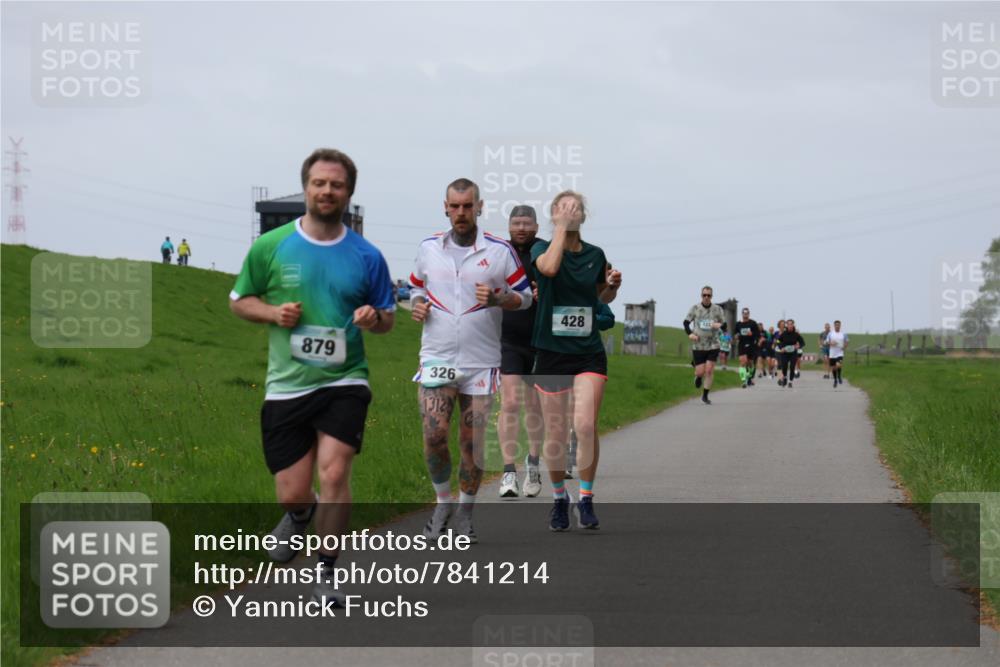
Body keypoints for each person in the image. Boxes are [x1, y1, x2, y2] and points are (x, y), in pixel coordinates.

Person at [229, 148, 395, 610]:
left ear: (349, 193)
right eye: (320, 183)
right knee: (293, 490)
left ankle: (326, 572)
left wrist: (372, 317)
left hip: (346, 379)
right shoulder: (271, 245)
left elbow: (387, 319)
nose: (327, 191)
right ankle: (300, 515)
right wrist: (272, 312)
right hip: (287, 384)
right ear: (306, 187)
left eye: (336, 185)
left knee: (336, 471)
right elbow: (240, 300)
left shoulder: (366, 255)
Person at [409, 178, 533, 540]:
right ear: (445, 207)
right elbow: (417, 286)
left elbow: (525, 297)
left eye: (468, 206)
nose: (461, 213)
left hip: (481, 360)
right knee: (434, 434)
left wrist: (499, 299)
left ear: (480, 207)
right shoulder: (429, 248)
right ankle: (442, 501)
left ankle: (465, 513)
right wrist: (418, 305)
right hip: (437, 355)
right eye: (455, 206)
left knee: (470, 443)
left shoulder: (499, 251)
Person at [532, 191, 621, 531]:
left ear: (584, 217)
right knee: (554, 434)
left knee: (584, 425)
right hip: (552, 353)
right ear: (553, 215)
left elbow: (599, 297)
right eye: (563, 208)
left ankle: (586, 497)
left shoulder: (596, 254)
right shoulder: (542, 249)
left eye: (576, 210)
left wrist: (612, 286)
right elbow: (550, 269)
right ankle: (559, 499)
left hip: (587, 352)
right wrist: (559, 230)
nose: (570, 213)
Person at [497, 205, 545, 499]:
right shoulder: (501, 255)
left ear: (537, 227)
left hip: (540, 342)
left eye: (527, 223)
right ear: (509, 227)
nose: (522, 228)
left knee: (535, 408)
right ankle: (508, 472)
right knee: (511, 403)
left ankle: (534, 464)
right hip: (508, 339)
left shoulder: (544, 256)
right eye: (516, 223)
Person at [683, 286, 727, 404]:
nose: (706, 297)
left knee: (709, 370)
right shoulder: (695, 308)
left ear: (712, 296)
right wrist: (690, 334)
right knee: (700, 372)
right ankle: (697, 376)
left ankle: (705, 395)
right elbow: (686, 323)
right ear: (701, 295)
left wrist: (718, 325)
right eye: (704, 295)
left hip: (713, 343)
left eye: (709, 295)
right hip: (698, 344)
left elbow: (725, 325)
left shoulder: (717, 309)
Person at [734, 307, 761, 388]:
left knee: (750, 363)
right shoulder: (738, 324)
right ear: (742, 314)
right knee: (743, 362)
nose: (745, 315)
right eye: (744, 313)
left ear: (749, 314)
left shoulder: (753, 323)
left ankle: (749, 377)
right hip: (742, 344)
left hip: (751, 345)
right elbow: (735, 334)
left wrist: (752, 334)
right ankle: (743, 380)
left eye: (747, 313)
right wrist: (736, 336)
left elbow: (758, 335)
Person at [775, 319, 805, 388]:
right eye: (788, 324)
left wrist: (799, 346)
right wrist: (781, 348)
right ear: (787, 325)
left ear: (793, 325)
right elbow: (778, 341)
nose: (790, 325)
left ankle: (790, 382)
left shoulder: (796, 334)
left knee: (792, 367)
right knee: (784, 367)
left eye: (791, 324)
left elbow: (802, 342)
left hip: (793, 353)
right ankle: (785, 378)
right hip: (784, 353)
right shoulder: (784, 334)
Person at [827, 320, 848, 387]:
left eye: (838, 325)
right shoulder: (830, 334)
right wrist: (831, 343)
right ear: (834, 326)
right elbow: (826, 342)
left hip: (840, 353)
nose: (837, 326)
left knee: (838, 365)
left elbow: (847, 341)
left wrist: (844, 347)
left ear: (840, 326)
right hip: (832, 353)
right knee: (833, 368)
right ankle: (835, 380)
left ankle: (839, 376)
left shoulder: (843, 334)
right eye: (836, 325)